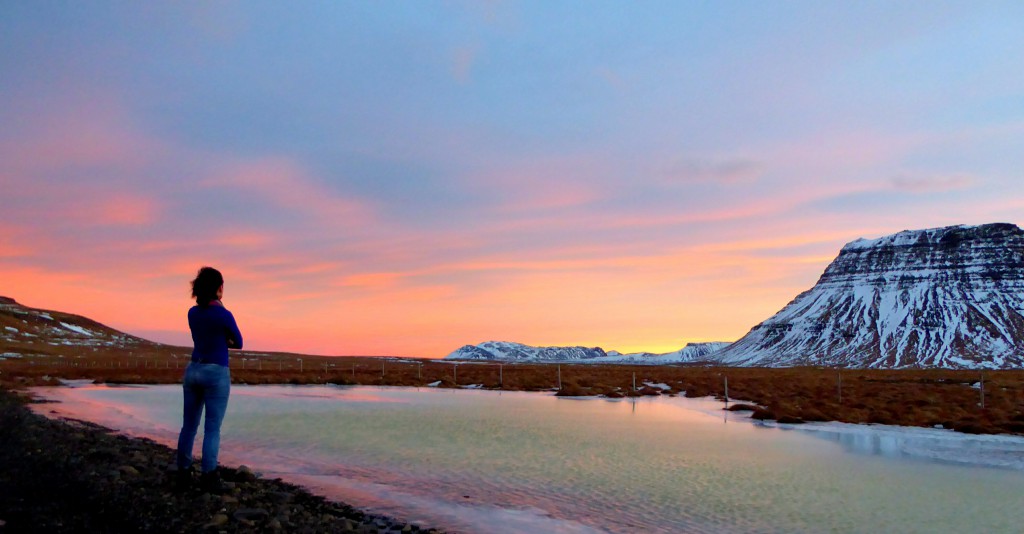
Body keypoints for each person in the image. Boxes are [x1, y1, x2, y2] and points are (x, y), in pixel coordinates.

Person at [175, 266, 243, 492]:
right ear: (218, 288)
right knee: (212, 428)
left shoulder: (192, 313)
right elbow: (239, 342)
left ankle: (183, 471)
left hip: (193, 369)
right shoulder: (224, 314)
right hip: (216, 371)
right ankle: (209, 475)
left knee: (189, 426)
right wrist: (225, 339)